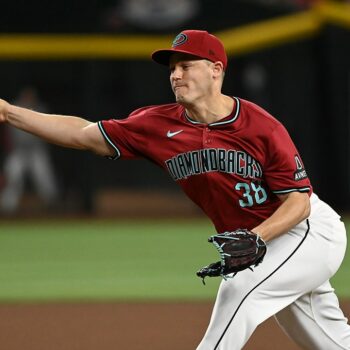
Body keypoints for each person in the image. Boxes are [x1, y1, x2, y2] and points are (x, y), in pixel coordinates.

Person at [0, 29, 349, 349]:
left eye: (186, 65)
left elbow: (298, 202)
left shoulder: (260, 126)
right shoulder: (157, 124)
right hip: (264, 245)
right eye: (172, 69)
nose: (176, 75)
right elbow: (82, 134)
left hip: (308, 233)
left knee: (240, 290)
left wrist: (256, 238)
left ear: (216, 69)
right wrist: (9, 112)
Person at [0, 86, 58, 213]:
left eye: (31, 96)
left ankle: (52, 207)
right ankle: (6, 210)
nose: (29, 98)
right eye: (26, 96)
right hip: (18, 151)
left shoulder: (40, 109)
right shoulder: (13, 108)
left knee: (44, 177)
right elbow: (7, 134)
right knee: (12, 176)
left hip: (36, 150)